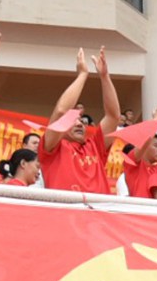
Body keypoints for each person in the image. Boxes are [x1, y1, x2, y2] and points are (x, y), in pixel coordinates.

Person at [38, 47, 122, 194]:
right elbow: (61, 111)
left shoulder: (95, 146)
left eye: (81, 120)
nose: (79, 123)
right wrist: (82, 75)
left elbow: (113, 116)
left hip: (99, 214)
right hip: (66, 214)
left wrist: (104, 76)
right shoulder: (51, 147)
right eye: (73, 120)